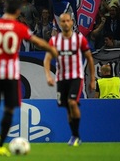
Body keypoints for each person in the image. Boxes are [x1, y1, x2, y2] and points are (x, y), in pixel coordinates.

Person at [0, 0, 58, 156]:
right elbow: (37, 41)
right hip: (10, 74)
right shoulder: (19, 27)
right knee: (9, 109)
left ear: (4, 8)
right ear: (18, 11)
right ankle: (0, 142)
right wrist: (51, 49)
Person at [44, 13, 96, 147]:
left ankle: (76, 136)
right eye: (63, 21)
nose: (66, 23)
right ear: (60, 24)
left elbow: (90, 58)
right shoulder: (55, 41)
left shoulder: (79, 40)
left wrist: (92, 79)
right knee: (68, 108)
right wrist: (48, 76)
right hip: (61, 79)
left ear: (72, 22)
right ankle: (74, 135)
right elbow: (47, 59)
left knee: (72, 103)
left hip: (76, 77)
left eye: (68, 21)